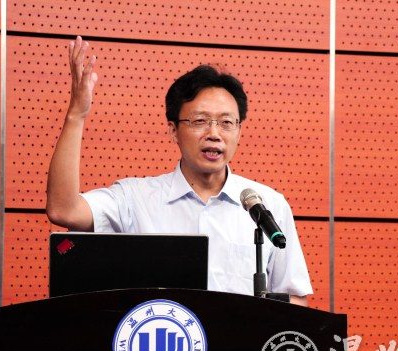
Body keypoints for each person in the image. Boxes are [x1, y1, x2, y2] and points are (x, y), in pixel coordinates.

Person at [46, 36, 313, 306]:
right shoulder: (134, 199)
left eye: (226, 122)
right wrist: (76, 115)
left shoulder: (268, 207)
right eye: (199, 121)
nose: (214, 133)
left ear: (239, 130)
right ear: (173, 130)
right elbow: (63, 210)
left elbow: (295, 298)